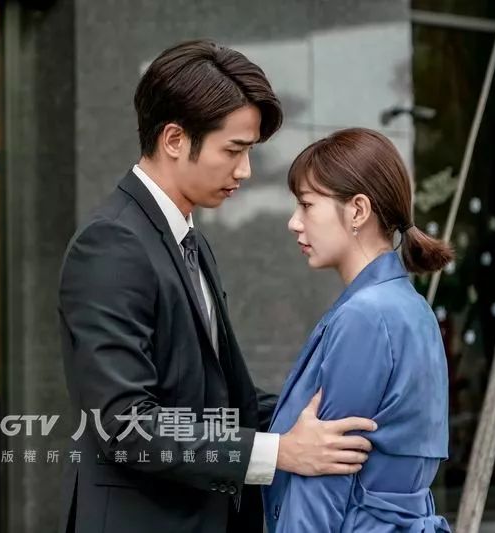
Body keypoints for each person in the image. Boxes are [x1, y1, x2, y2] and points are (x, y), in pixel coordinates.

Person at [58, 40, 377, 533]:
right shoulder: (111, 244)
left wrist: (328, 410)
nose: (245, 170)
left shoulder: (190, 241)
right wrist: (280, 452)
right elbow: (124, 423)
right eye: (233, 150)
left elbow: (222, 398)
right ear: (174, 139)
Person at [263, 128, 451, 531]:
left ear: (358, 210)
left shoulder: (366, 316)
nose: (294, 222)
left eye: (306, 204)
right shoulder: (411, 308)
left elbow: (322, 481)